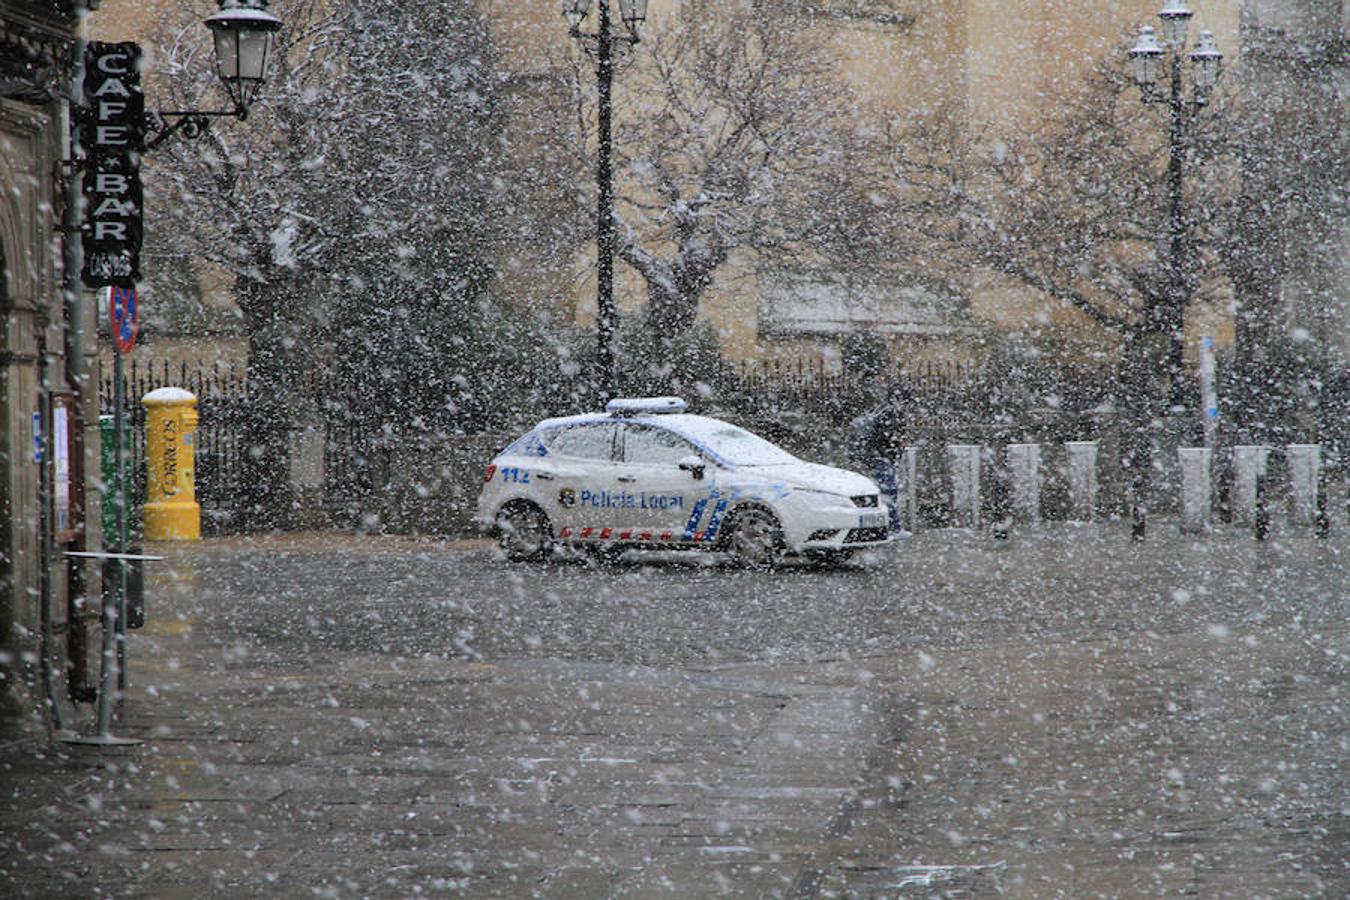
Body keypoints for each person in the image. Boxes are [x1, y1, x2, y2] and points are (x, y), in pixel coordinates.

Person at [848, 381, 910, 534]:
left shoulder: (882, 410)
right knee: (888, 495)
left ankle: (886, 528)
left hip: (877, 457)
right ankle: (892, 529)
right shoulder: (892, 412)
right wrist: (895, 445)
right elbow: (885, 436)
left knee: (885, 494)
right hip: (883, 458)